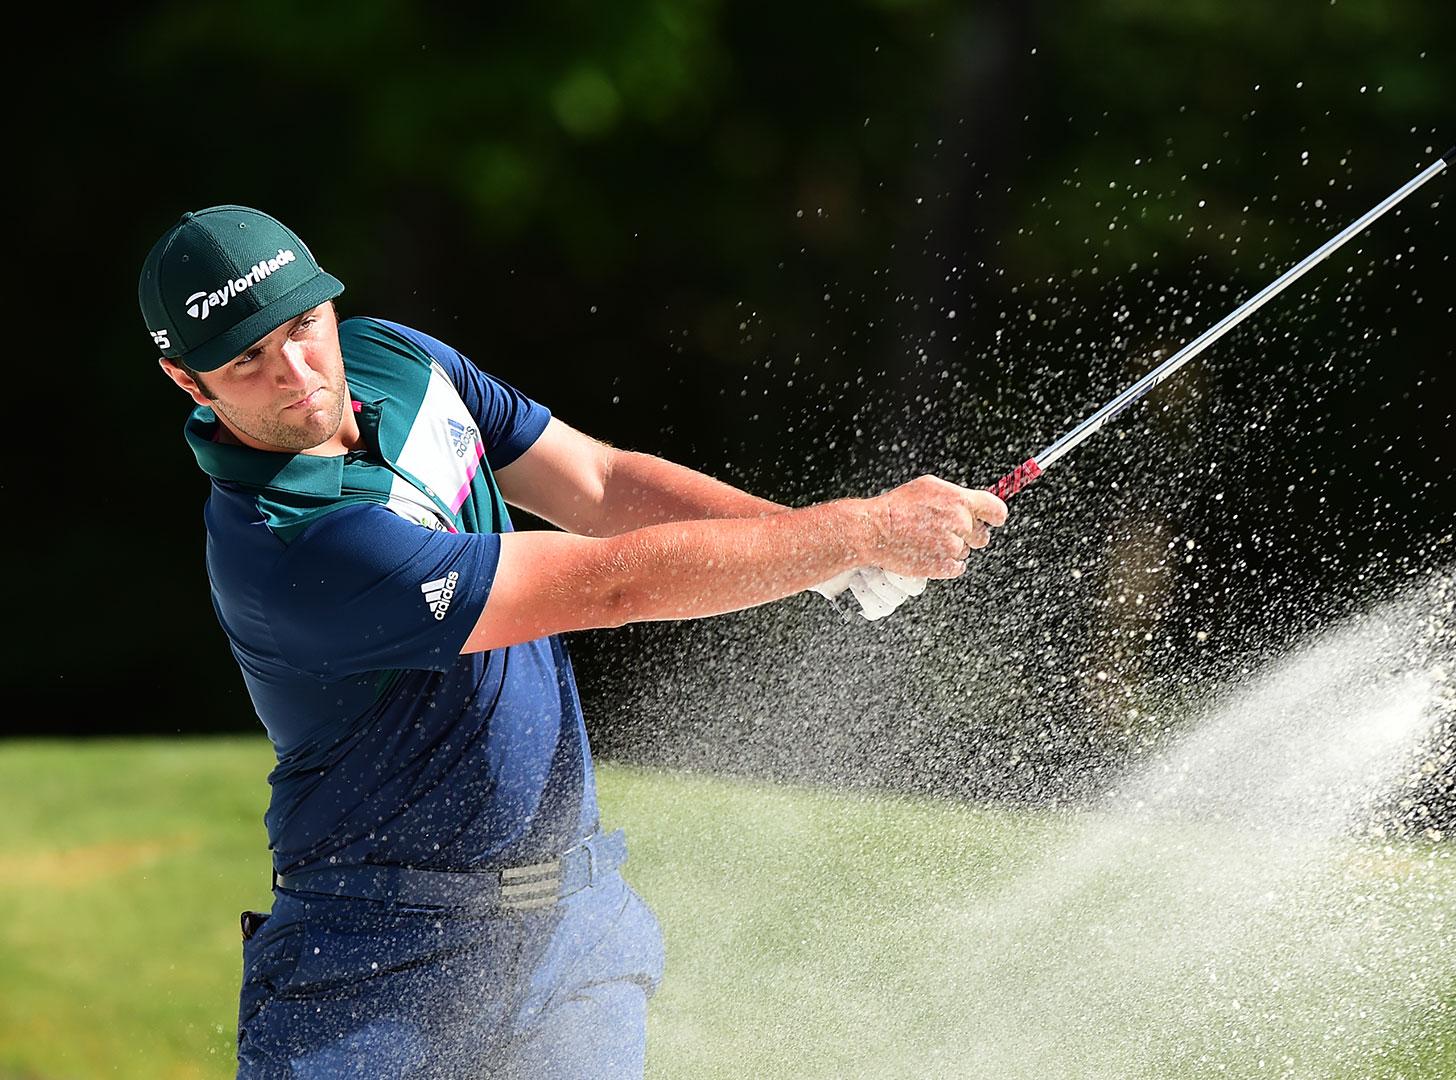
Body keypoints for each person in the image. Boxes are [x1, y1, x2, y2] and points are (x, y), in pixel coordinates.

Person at [138, 204, 1007, 1078]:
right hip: (375, 970)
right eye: (247, 358)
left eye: (303, 327)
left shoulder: (396, 360)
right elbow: (610, 584)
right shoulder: (292, 546)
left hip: (570, 935)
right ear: (189, 380)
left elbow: (598, 481)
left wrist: (819, 555)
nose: (296, 372)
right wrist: (855, 532)